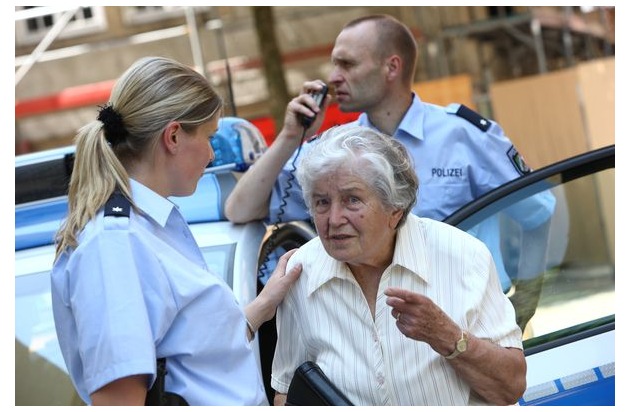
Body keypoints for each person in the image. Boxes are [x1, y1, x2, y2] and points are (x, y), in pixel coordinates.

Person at [224, 14, 555, 330]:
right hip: (373, 330)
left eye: (347, 64)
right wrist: (289, 136)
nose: (333, 77)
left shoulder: (464, 135)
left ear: (391, 67)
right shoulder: (333, 150)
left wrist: (524, 304)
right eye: (334, 64)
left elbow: (539, 211)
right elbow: (240, 209)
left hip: (469, 320)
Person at [50, 56, 301, 406]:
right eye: (209, 136)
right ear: (173, 136)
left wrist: (263, 305)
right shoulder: (114, 245)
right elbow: (119, 401)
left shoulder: (148, 228)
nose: (211, 155)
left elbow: (195, 353)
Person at [270, 124, 526, 406]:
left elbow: (511, 387)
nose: (334, 219)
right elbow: (286, 392)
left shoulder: (462, 254)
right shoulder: (300, 273)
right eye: (322, 202)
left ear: (395, 208)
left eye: (352, 200)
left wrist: (447, 336)